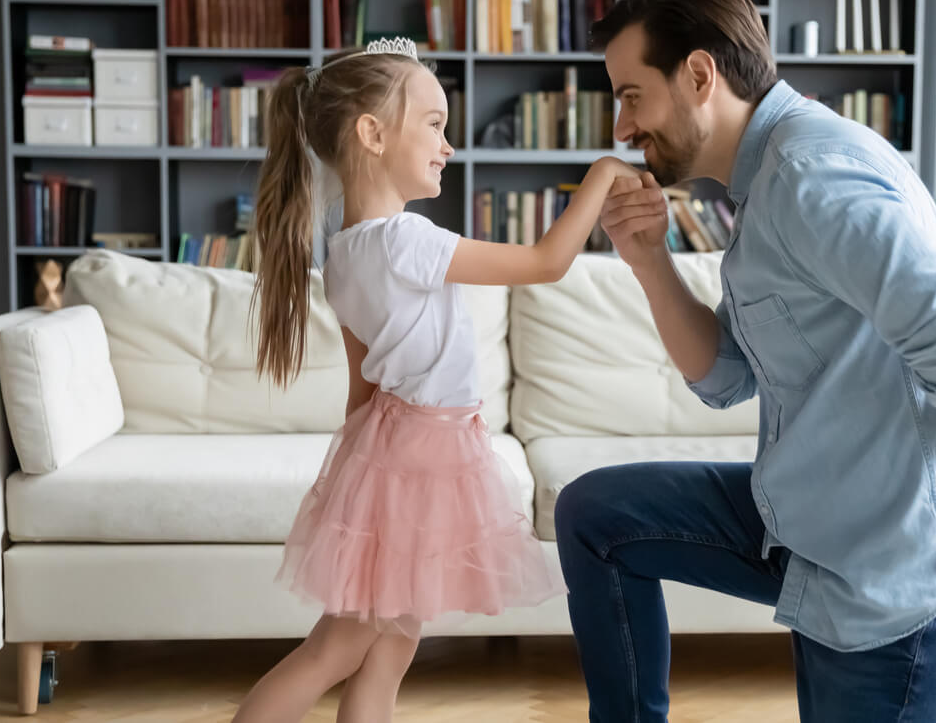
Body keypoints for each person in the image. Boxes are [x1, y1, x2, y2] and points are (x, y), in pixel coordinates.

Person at [554, 0, 936, 722]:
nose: (622, 128)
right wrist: (648, 258)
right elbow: (725, 377)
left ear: (699, 75)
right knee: (597, 516)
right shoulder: (767, 187)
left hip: (898, 580)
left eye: (631, 95)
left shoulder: (809, 173)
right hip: (816, 525)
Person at [232, 38, 641, 723]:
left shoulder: (343, 255)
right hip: (421, 458)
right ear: (372, 134)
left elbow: (363, 390)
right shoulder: (406, 240)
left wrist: (358, 482)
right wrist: (601, 174)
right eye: (433, 123)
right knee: (338, 648)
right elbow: (545, 262)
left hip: (400, 454)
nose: (447, 145)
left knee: (387, 653)